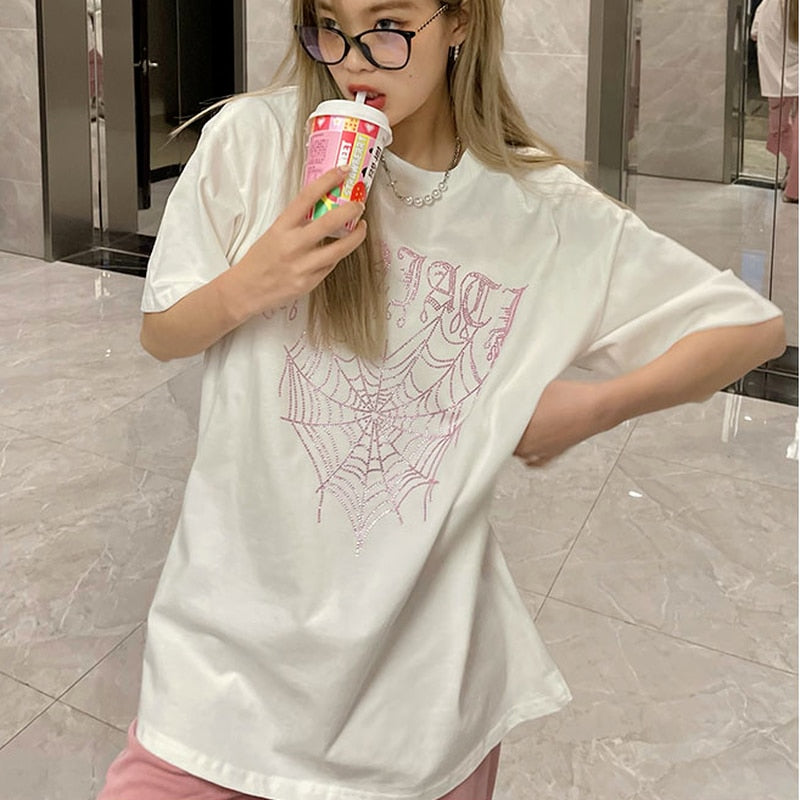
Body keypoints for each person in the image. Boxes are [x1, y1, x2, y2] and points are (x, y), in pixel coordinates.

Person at [97, 1, 786, 798]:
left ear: (459, 22)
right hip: (216, 676)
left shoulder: (541, 210)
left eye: (388, 25)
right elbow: (163, 331)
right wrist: (253, 283)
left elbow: (751, 328)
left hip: (417, 708)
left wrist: (591, 408)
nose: (353, 59)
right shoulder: (255, 140)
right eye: (329, 25)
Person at [752, 0, 799, 201]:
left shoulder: (769, 6)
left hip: (777, 76)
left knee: (779, 128)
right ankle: (794, 178)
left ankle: (793, 174)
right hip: (789, 70)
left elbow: (755, 33)